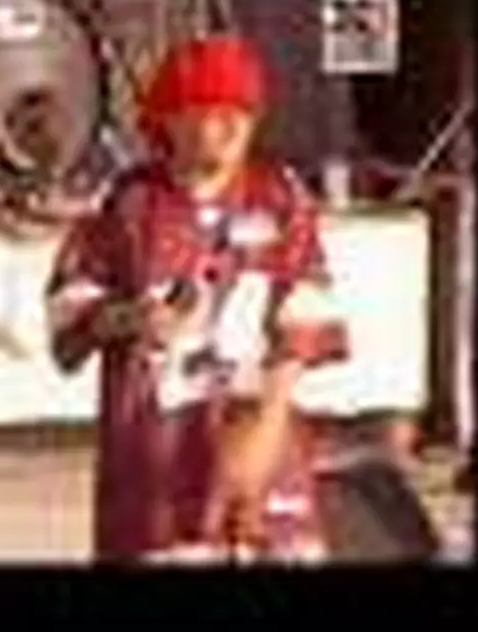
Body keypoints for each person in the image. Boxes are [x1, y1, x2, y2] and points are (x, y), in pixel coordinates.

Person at [44, 35, 349, 564]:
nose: (233, 127)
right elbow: (70, 303)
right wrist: (129, 318)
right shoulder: (127, 203)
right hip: (155, 455)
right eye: (214, 111)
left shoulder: (279, 196)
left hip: (259, 446)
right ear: (172, 120)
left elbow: (304, 318)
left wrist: (267, 427)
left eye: (244, 113)